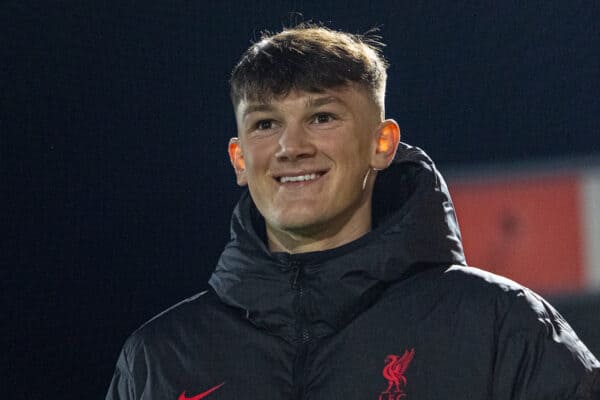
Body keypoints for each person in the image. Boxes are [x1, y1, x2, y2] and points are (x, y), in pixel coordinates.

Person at [106, 24, 600, 399]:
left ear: (382, 144)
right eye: (265, 123)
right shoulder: (159, 359)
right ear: (239, 158)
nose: (290, 146)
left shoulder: (498, 326)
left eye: (322, 117)